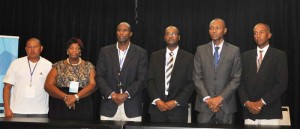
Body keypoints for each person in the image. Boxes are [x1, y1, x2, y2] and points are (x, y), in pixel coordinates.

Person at [193, 18, 242, 124]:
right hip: (205, 106)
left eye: (217, 28)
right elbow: (197, 77)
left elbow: (236, 78)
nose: (214, 31)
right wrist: (208, 99)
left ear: (225, 30)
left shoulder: (234, 51)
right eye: (211, 28)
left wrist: (220, 98)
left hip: (226, 105)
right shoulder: (200, 50)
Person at [238, 23, 288, 125]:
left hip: (270, 110)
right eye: (255, 33)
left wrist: (261, 102)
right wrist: (247, 103)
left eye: (261, 32)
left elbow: (282, 83)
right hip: (250, 111)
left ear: (269, 35)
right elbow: (240, 83)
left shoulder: (279, 55)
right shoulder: (245, 56)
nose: (258, 35)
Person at [96, 22, 147, 121]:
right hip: (109, 105)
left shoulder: (140, 53)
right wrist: (112, 94)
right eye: (119, 30)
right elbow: (99, 76)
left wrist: (127, 94)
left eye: (125, 30)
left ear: (130, 33)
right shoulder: (105, 51)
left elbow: (142, 79)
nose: (121, 33)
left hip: (132, 106)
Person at [147, 26, 194, 123]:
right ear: (164, 37)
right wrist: (157, 100)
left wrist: (176, 102)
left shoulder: (189, 58)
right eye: (168, 34)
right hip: (157, 108)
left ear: (179, 37)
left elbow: (191, 83)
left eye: (174, 34)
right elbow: (149, 80)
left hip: (178, 110)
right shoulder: (155, 56)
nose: (170, 36)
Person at [44, 37, 96, 120]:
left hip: (82, 101)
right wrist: (66, 97)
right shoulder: (58, 65)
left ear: (80, 52)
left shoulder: (89, 66)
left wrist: (75, 97)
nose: (74, 50)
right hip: (61, 103)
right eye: (71, 48)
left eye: (77, 48)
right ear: (67, 51)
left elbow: (93, 84)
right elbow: (48, 85)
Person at [2, 38, 52, 118]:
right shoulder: (16, 63)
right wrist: (6, 108)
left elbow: (52, 87)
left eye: (35, 47)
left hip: (40, 111)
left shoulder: (48, 65)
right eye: (29, 47)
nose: (32, 50)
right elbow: (7, 87)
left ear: (41, 48)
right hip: (17, 110)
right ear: (25, 49)